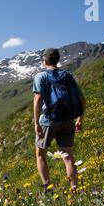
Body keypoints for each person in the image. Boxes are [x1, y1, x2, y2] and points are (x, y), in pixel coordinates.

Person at [33, 48, 86, 191]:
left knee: (40, 154)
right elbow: (81, 99)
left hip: (48, 121)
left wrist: (36, 123)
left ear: (44, 61)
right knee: (68, 156)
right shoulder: (67, 76)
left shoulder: (41, 77)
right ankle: (74, 188)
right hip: (68, 120)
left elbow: (38, 99)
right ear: (57, 60)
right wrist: (79, 119)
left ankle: (47, 187)